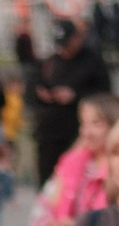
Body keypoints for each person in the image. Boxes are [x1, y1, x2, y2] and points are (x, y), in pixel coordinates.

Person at [26, 21, 112, 186]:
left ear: (77, 38)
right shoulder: (50, 63)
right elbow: (31, 91)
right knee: (48, 182)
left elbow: (104, 95)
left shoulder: (92, 62)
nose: (64, 49)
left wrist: (75, 96)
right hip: (48, 135)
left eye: (67, 43)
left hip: (75, 133)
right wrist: (42, 94)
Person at [29, 93, 119, 226]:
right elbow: (42, 208)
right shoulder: (69, 164)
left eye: (96, 124)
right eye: (83, 124)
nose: (87, 133)